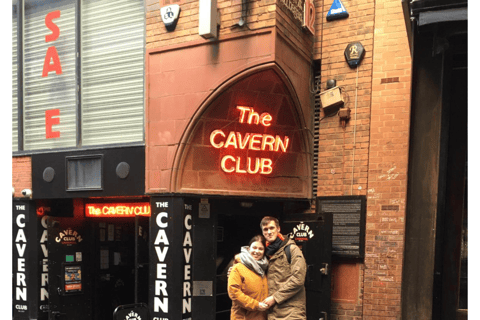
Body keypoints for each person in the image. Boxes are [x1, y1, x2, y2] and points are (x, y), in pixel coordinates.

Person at [260, 216, 307, 320]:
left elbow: (298, 279)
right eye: (265, 229)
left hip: (291, 313)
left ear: (278, 229)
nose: (269, 232)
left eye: (272, 228)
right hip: (272, 313)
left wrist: (275, 298)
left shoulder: (292, 249)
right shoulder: (264, 253)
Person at [228, 235, 270, 320]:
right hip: (243, 317)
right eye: (254, 248)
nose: (257, 251)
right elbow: (234, 292)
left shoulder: (265, 268)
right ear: (248, 249)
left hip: (261, 316)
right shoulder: (238, 267)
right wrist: (256, 305)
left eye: (260, 249)